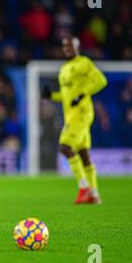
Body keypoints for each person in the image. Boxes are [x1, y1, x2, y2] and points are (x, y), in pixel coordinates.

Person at [42, 37, 108, 204]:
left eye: (70, 46)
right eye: (64, 46)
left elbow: (101, 80)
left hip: (82, 112)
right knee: (84, 154)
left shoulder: (84, 63)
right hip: (71, 114)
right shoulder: (64, 68)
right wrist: (52, 96)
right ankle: (94, 194)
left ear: (78, 47)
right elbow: (67, 96)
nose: (67, 49)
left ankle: (84, 187)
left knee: (65, 147)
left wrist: (82, 93)